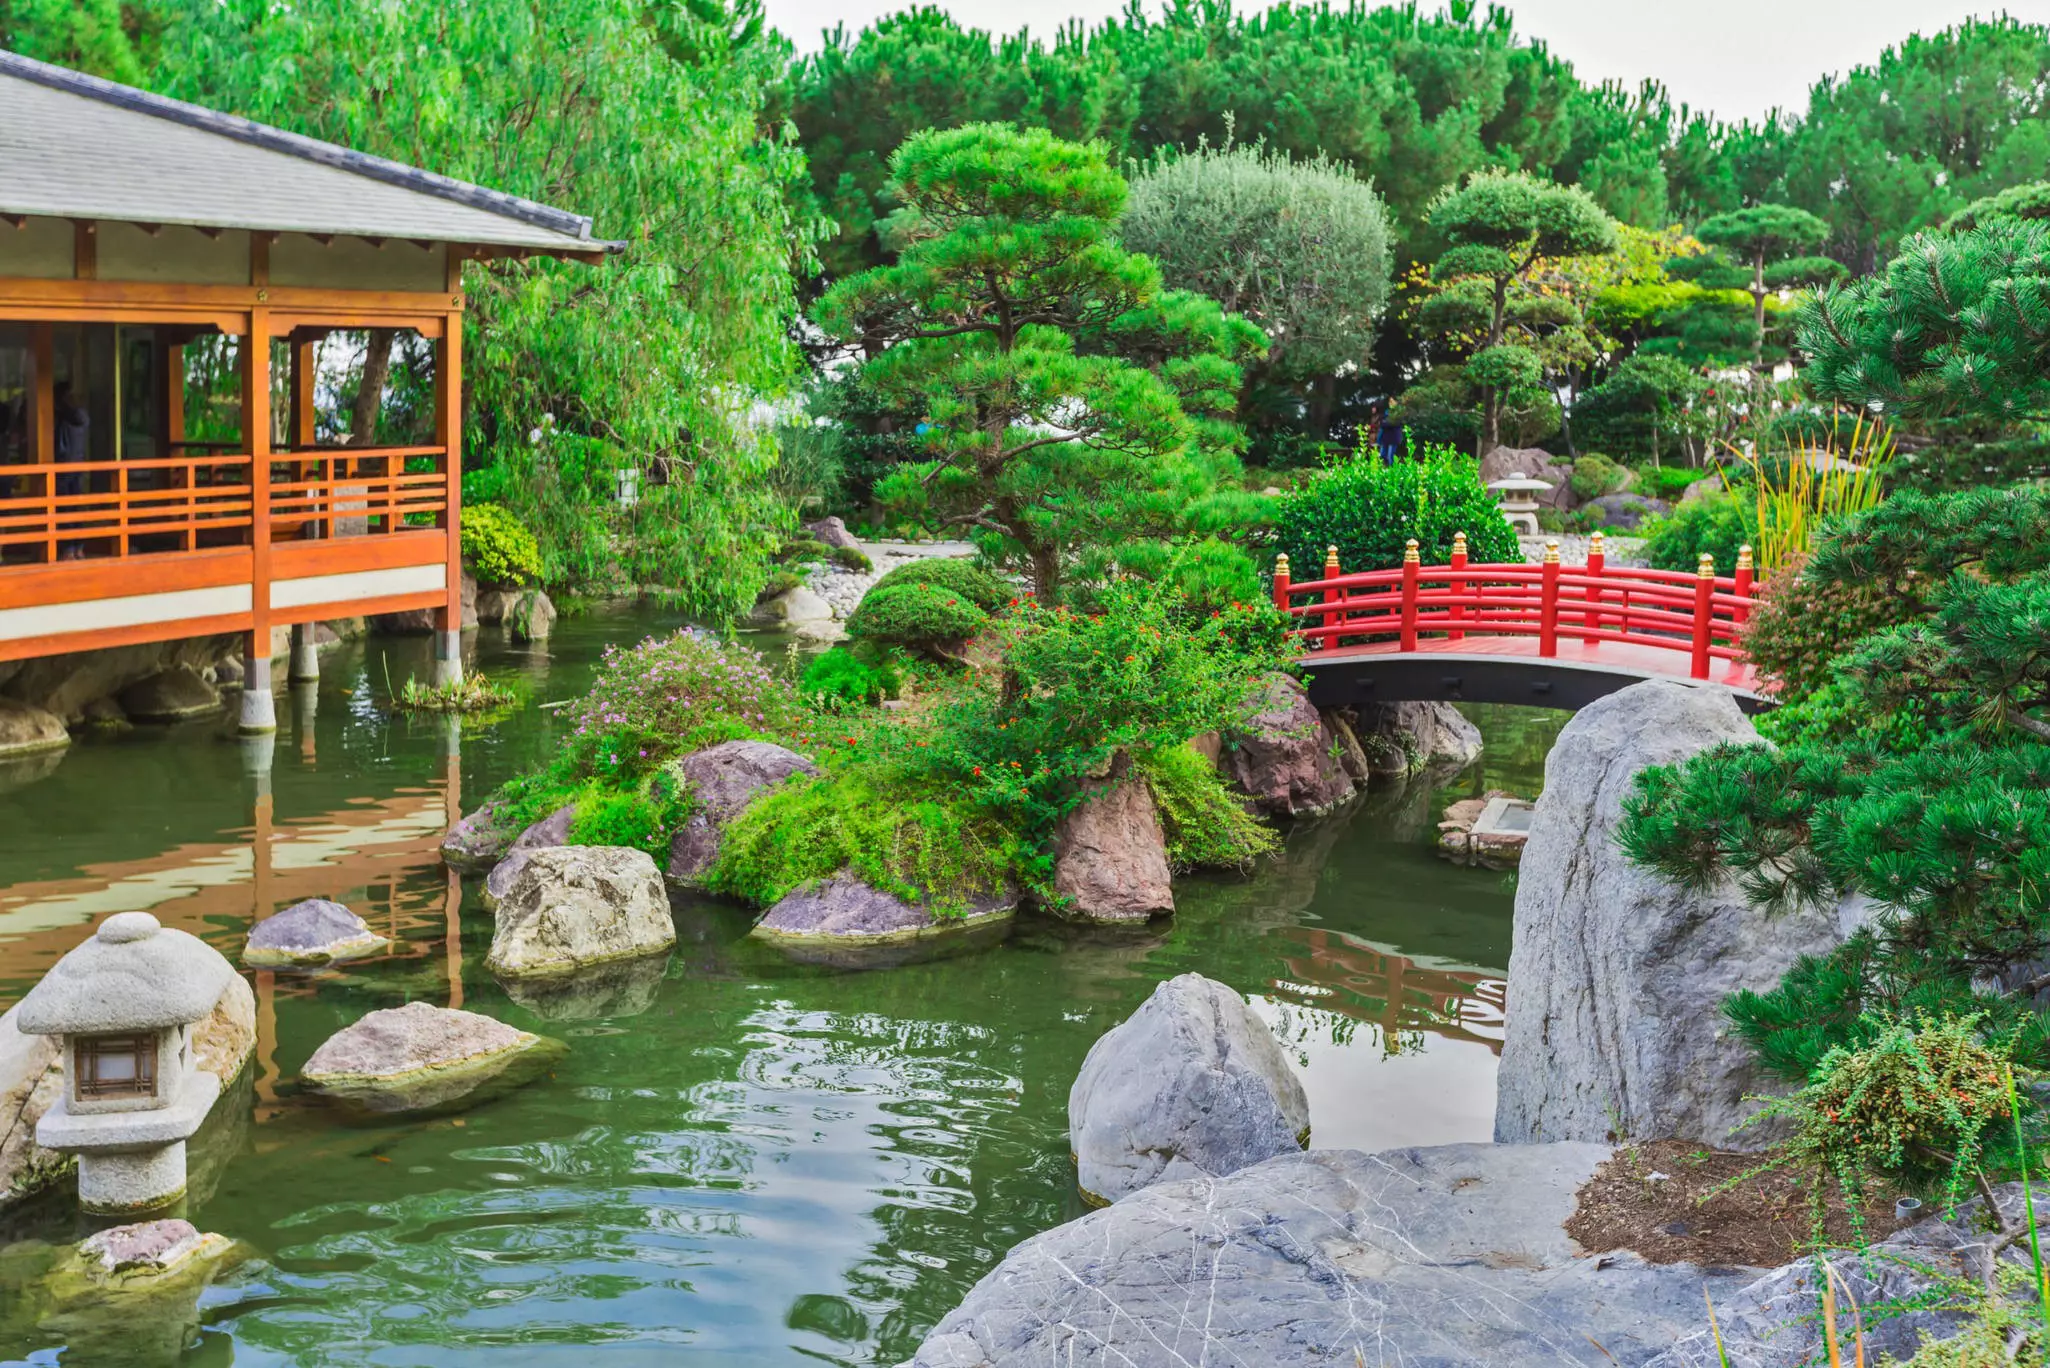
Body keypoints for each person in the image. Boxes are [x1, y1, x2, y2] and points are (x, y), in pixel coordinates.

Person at [53, 381, 89, 559]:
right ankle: (76, 548)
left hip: (66, 466)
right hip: (75, 465)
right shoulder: (78, 415)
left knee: (67, 508)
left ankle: (70, 548)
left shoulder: (71, 415)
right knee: (73, 507)